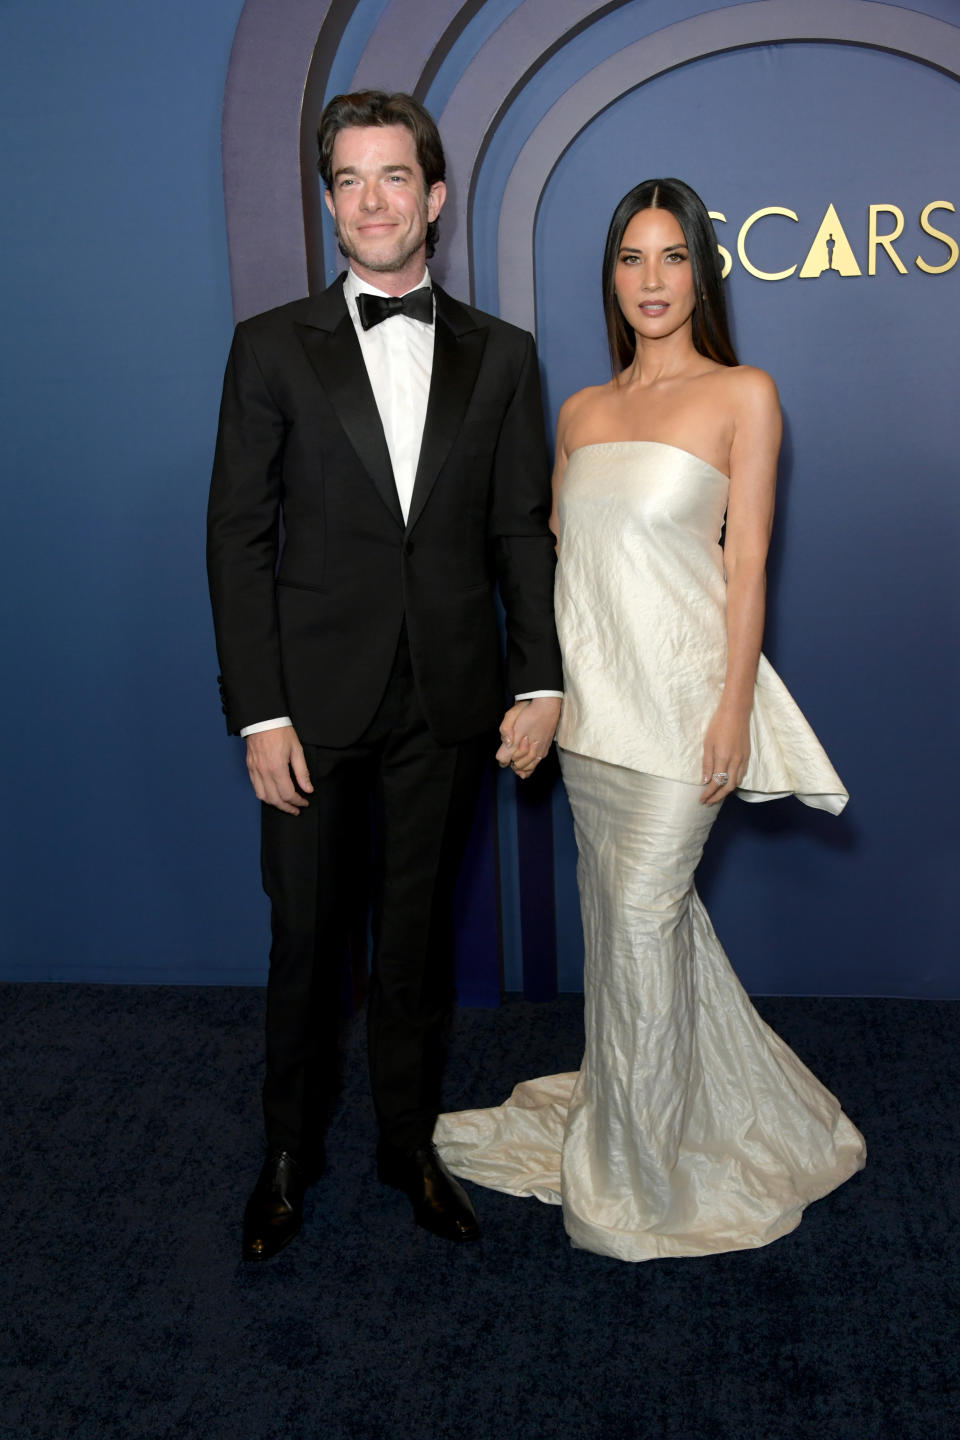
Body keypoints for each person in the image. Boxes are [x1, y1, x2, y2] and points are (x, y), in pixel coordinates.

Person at [434, 178, 866, 1261]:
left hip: (681, 720)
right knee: (636, 943)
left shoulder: (744, 395)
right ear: (612, 277)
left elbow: (749, 564)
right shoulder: (581, 411)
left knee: (637, 925)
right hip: (591, 725)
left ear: (701, 274)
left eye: (673, 258)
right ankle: (667, 1115)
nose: (653, 280)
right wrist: (538, 698)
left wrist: (730, 712)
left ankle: (636, 1175)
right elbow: (555, 577)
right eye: (633, 258)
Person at [207, 90, 562, 1261]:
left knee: (413, 946)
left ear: (435, 195)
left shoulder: (504, 357)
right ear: (328, 202)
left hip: (449, 703)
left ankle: (407, 1147)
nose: (372, 200)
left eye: (394, 177)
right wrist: (259, 712)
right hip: (308, 707)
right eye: (349, 181)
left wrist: (539, 682)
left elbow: (521, 532)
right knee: (308, 943)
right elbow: (237, 541)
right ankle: (286, 1152)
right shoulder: (270, 346)